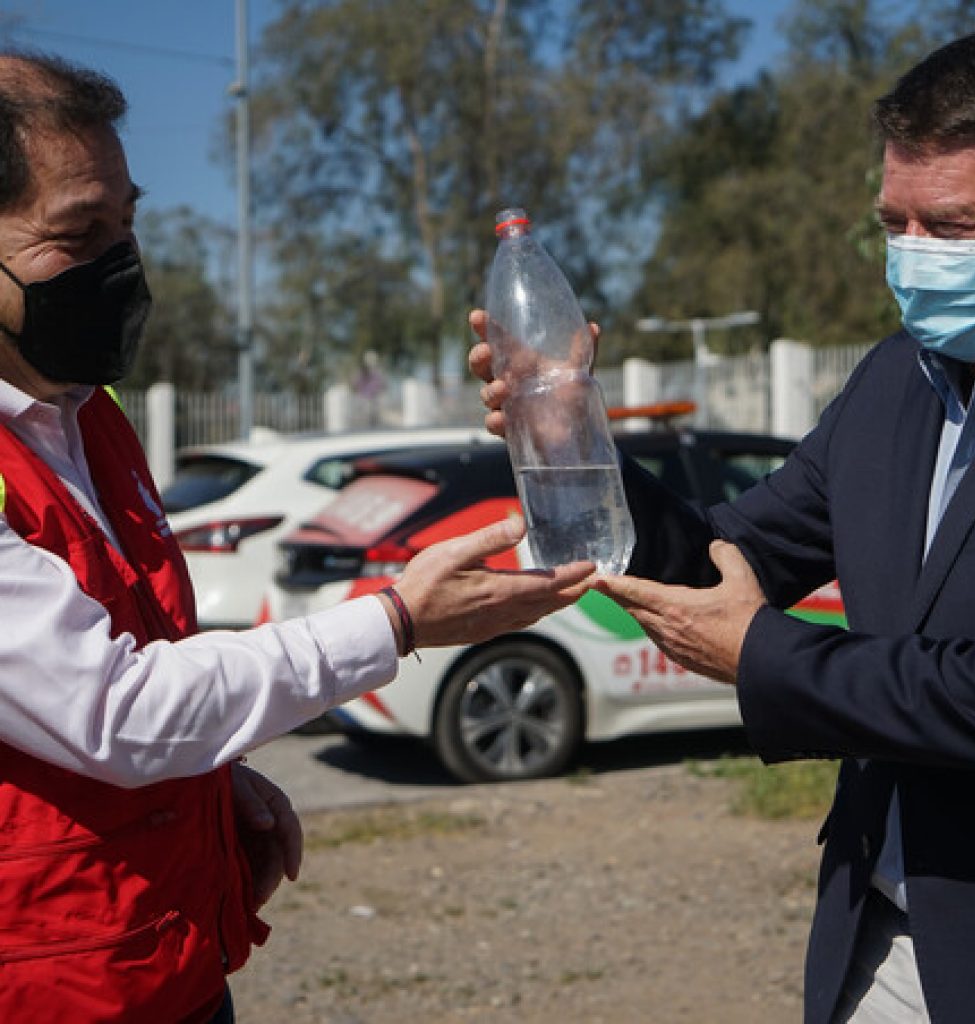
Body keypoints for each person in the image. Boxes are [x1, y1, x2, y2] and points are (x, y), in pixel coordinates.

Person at [0, 51, 594, 1023]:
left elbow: (111, 671)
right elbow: (117, 711)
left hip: (161, 966)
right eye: (79, 234)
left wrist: (212, 774)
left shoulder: (82, 419)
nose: (121, 262)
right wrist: (396, 622)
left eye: (128, 222)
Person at [471, 23, 975, 1022]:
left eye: (948, 229)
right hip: (878, 944)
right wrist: (569, 436)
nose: (911, 259)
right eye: (891, 223)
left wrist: (771, 659)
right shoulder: (892, 384)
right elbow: (731, 553)